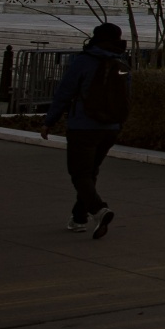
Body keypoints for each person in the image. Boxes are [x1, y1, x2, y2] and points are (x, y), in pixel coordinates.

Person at [40, 22, 130, 239]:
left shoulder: (83, 61)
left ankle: (99, 210)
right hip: (110, 128)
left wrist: (49, 121)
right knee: (90, 173)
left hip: (83, 126)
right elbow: (126, 98)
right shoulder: (122, 63)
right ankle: (79, 218)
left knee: (79, 173)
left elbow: (65, 92)